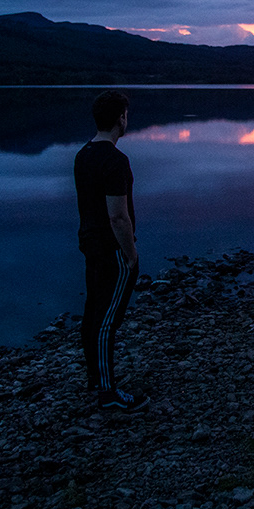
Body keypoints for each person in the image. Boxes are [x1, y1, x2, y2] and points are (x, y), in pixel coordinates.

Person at [74, 90, 148, 412]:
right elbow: (117, 215)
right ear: (121, 118)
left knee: (93, 312)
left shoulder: (83, 154)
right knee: (107, 319)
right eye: (126, 115)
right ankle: (108, 393)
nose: (126, 120)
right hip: (111, 249)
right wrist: (130, 254)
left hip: (89, 244)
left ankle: (95, 376)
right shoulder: (115, 161)